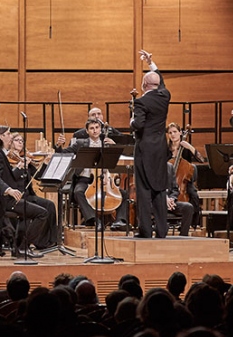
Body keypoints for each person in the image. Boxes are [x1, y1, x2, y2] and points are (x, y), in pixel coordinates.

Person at [0, 125, 51, 255]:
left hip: (7, 199)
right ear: (1, 137)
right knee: (42, 213)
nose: (10, 136)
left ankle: (18, 249)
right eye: (8, 134)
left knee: (27, 214)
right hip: (4, 201)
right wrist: (8, 190)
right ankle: (23, 247)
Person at [64, 118, 129, 230]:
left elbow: (121, 157)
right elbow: (65, 152)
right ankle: (94, 220)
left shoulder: (107, 144)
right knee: (78, 192)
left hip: (105, 179)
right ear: (87, 131)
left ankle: (119, 221)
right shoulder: (80, 143)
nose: (95, 130)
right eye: (92, 128)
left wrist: (114, 147)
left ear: (100, 129)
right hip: (85, 179)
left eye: (97, 128)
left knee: (124, 194)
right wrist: (58, 145)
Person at [132, 50, 171, 238]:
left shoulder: (140, 102)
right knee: (159, 189)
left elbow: (138, 125)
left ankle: (145, 231)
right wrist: (151, 63)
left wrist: (131, 122)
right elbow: (160, 82)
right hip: (160, 150)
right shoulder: (165, 96)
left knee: (143, 190)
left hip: (144, 149)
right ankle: (162, 231)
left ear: (143, 85)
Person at [166, 122, 204, 227]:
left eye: (175, 132)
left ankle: (192, 223)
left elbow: (201, 159)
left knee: (193, 195)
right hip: (168, 181)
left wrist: (189, 146)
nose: (173, 134)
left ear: (180, 133)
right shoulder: (166, 150)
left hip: (184, 181)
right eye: (170, 133)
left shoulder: (186, 149)